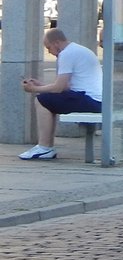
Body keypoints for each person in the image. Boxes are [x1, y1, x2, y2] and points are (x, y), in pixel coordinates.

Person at [19, 28, 103, 161]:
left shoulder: (66, 54)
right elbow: (67, 87)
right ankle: (46, 147)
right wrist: (40, 85)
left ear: (56, 43)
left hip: (90, 100)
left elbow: (59, 88)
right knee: (48, 100)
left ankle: (44, 147)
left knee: (41, 100)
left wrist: (33, 89)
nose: (49, 52)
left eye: (49, 47)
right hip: (96, 100)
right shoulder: (78, 50)